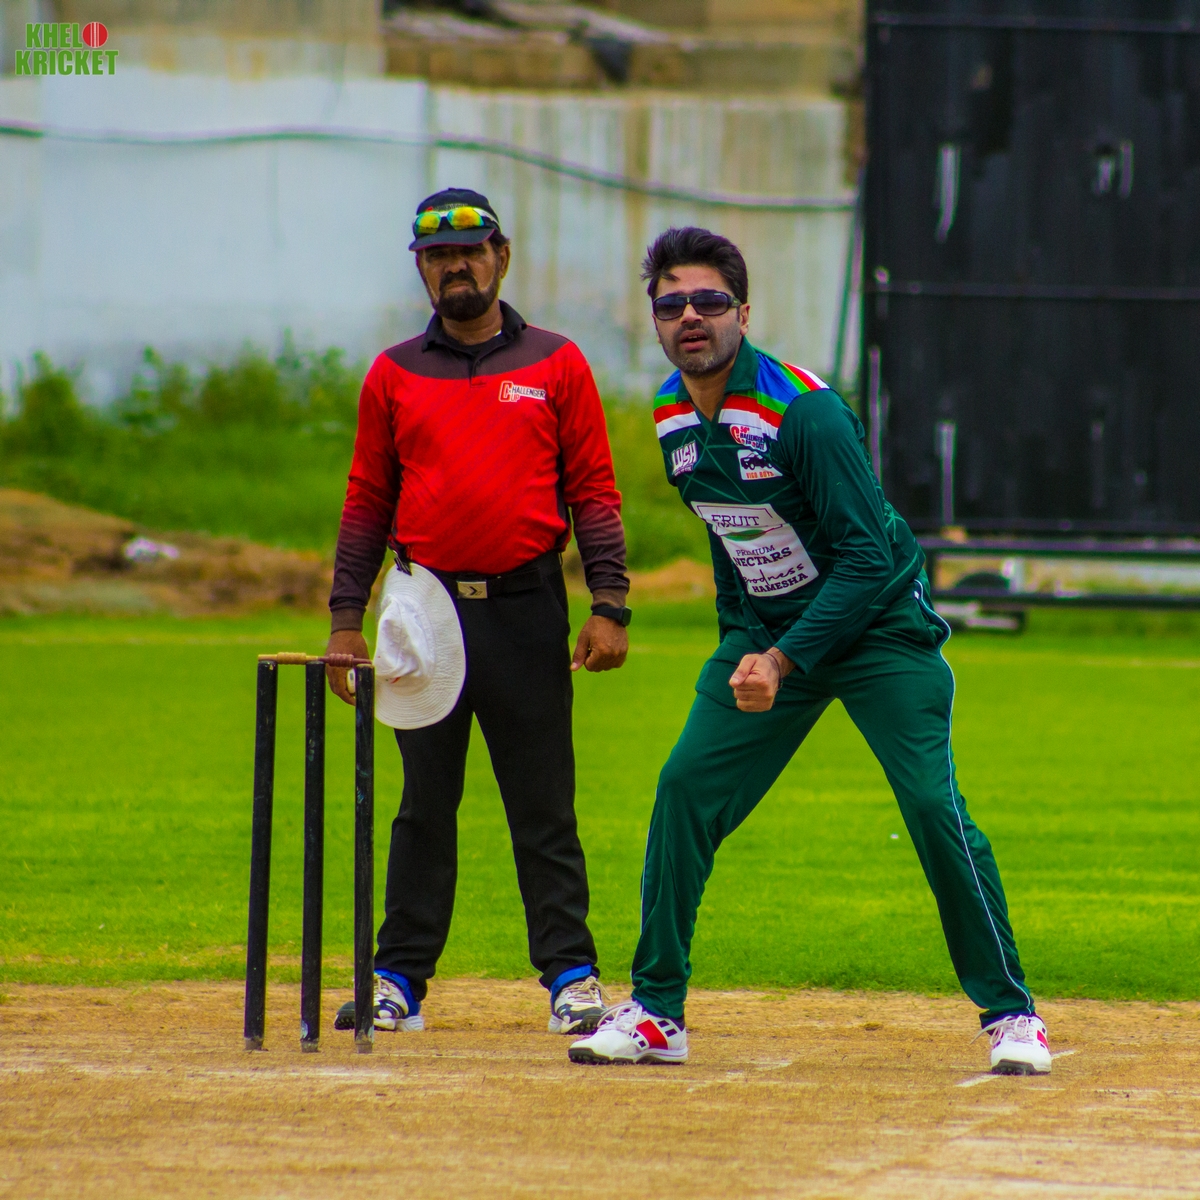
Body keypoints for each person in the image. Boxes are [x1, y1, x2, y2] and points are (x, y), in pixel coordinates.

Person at [568, 227, 1051, 1075]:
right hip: (770, 638)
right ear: (655, 319)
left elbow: (866, 555)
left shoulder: (805, 412)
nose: (691, 316)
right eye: (672, 304)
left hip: (880, 629)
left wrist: (785, 658)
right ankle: (657, 1012)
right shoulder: (672, 414)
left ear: (744, 313)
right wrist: (743, 642)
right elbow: (728, 536)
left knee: (931, 807)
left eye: (710, 300)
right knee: (684, 790)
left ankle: (1012, 1015)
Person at [326, 188, 632, 1036]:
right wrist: (346, 620)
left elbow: (594, 491)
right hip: (424, 611)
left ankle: (571, 976)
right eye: (437, 256)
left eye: (470, 251)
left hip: (526, 607)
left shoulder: (555, 362)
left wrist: (610, 604)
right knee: (424, 806)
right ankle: (397, 978)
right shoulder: (394, 372)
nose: (455, 267)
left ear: (501, 256)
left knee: (543, 805)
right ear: (421, 270)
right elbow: (366, 499)